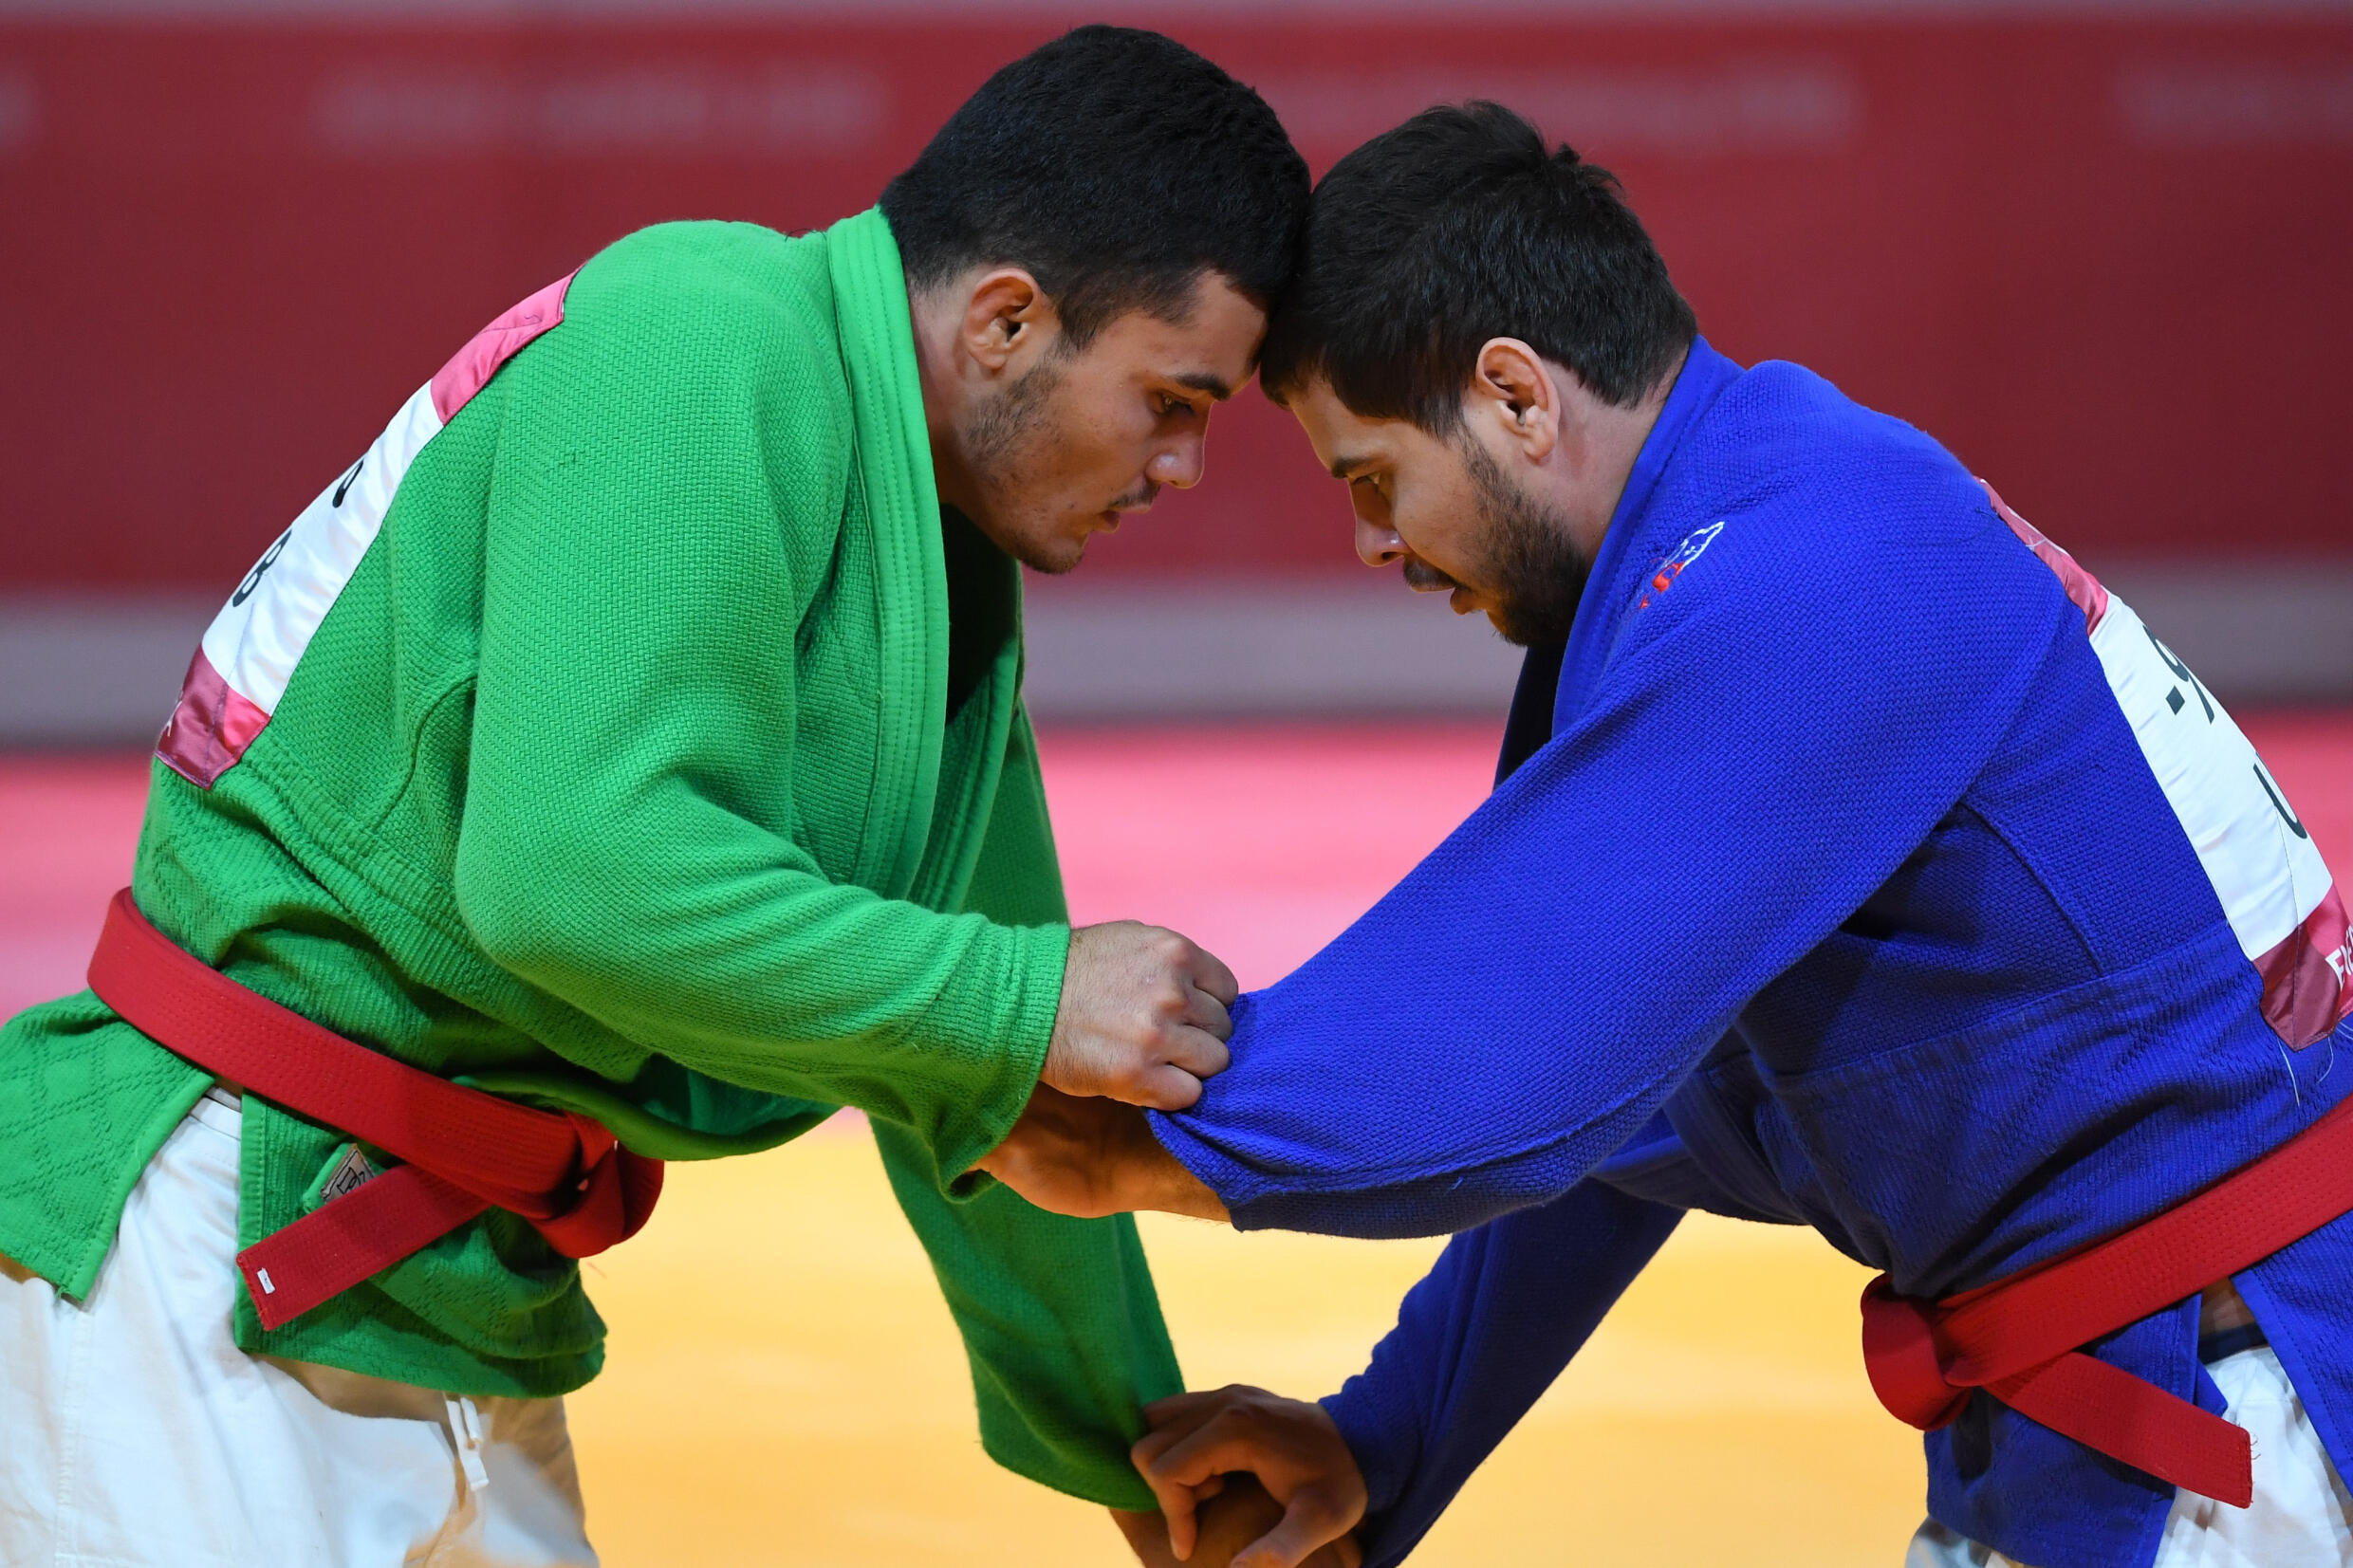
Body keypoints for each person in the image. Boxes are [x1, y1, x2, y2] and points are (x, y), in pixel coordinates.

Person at [0, 27, 1307, 1566]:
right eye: (1173, 398)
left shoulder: (940, 570)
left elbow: (994, 1085)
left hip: (443, 1278)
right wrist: (1018, 995)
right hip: (198, 1250)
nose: (1187, 466)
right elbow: (569, 869)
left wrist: (1147, 1458)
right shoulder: (703, 334)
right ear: (1010, 319)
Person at [981, 102, 2353, 1568]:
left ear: (1515, 396)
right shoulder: (1750, 521)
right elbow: (1629, 1102)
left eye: (1373, 479)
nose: (1375, 547)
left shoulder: (1797, 574)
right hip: (2159, 1389)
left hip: (2231, 1416)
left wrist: (1084, 1108)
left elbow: (1496, 1065)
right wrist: (1390, 1438)